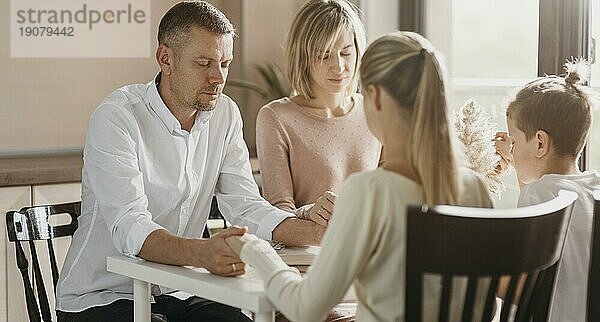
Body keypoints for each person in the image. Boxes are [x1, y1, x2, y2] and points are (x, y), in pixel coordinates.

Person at [55, 0, 325, 322]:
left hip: (180, 289)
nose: (218, 77)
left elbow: (245, 205)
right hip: (101, 296)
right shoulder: (116, 117)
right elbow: (131, 226)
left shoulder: (225, 114)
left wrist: (321, 234)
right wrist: (202, 253)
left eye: (225, 63)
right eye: (203, 63)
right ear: (165, 58)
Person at [225, 32, 493, 322]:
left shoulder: (369, 192)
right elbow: (486, 306)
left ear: (375, 96)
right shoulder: (474, 188)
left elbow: (304, 308)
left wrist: (255, 249)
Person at [256, 0, 381, 226]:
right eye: (324, 55)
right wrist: (309, 212)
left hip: (370, 247)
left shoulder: (375, 109)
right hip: (309, 252)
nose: (339, 66)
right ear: (303, 57)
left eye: (346, 52)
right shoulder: (276, 117)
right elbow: (277, 212)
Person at [495, 59, 599, 322]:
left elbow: (518, 291)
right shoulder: (592, 188)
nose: (512, 149)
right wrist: (518, 161)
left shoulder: (540, 196)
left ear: (540, 142)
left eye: (515, 141)